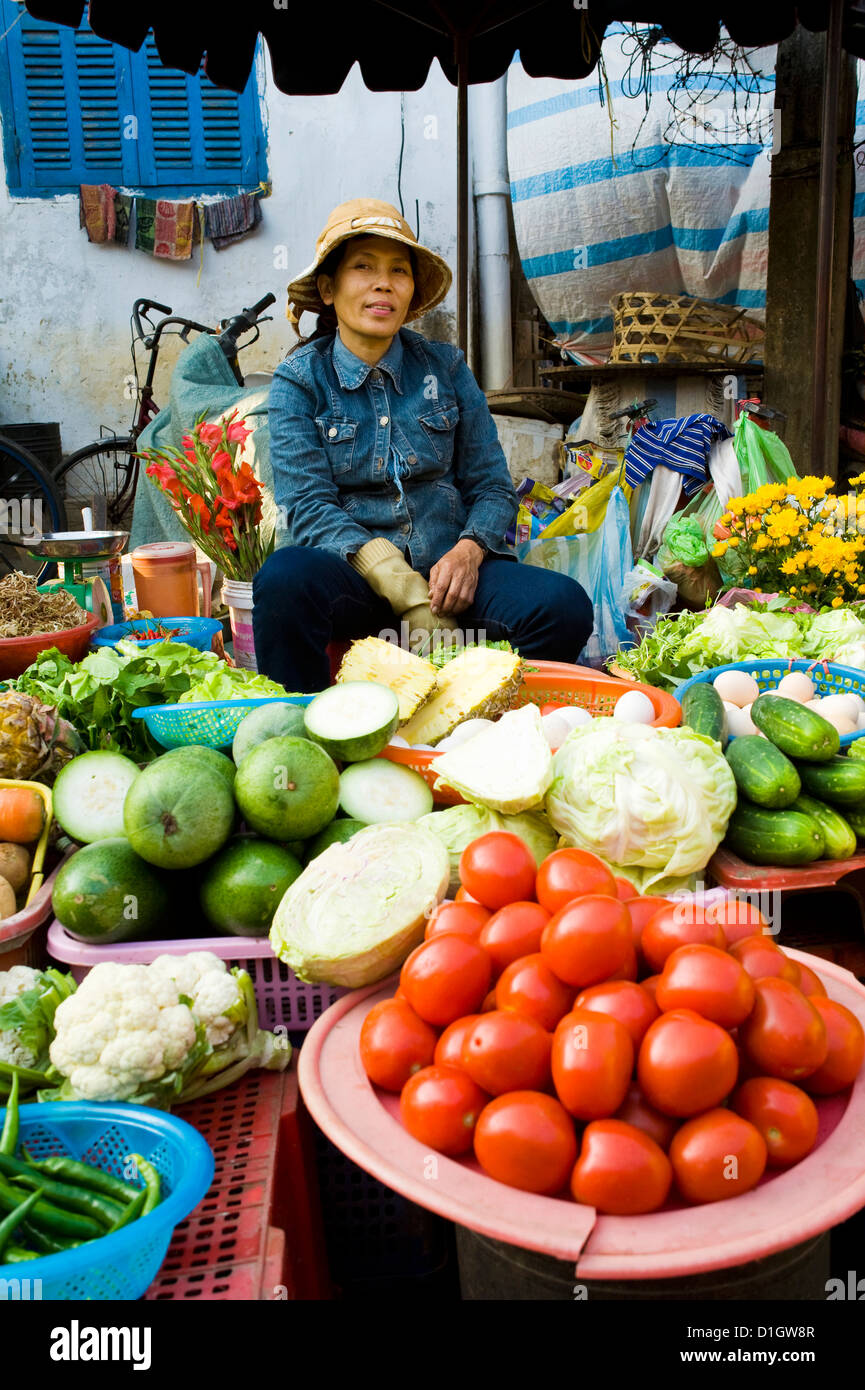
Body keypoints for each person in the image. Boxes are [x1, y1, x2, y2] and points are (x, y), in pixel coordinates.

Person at [253, 198, 593, 690]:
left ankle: (484, 715)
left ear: (412, 290)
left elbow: (492, 488)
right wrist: (403, 590)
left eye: (398, 271)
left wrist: (471, 551)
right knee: (285, 579)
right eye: (362, 267)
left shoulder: (446, 368)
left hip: (449, 575)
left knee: (562, 606)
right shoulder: (300, 380)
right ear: (328, 288)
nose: (383, 283)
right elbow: (307, 505)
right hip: (358, 581)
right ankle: (307, 731)